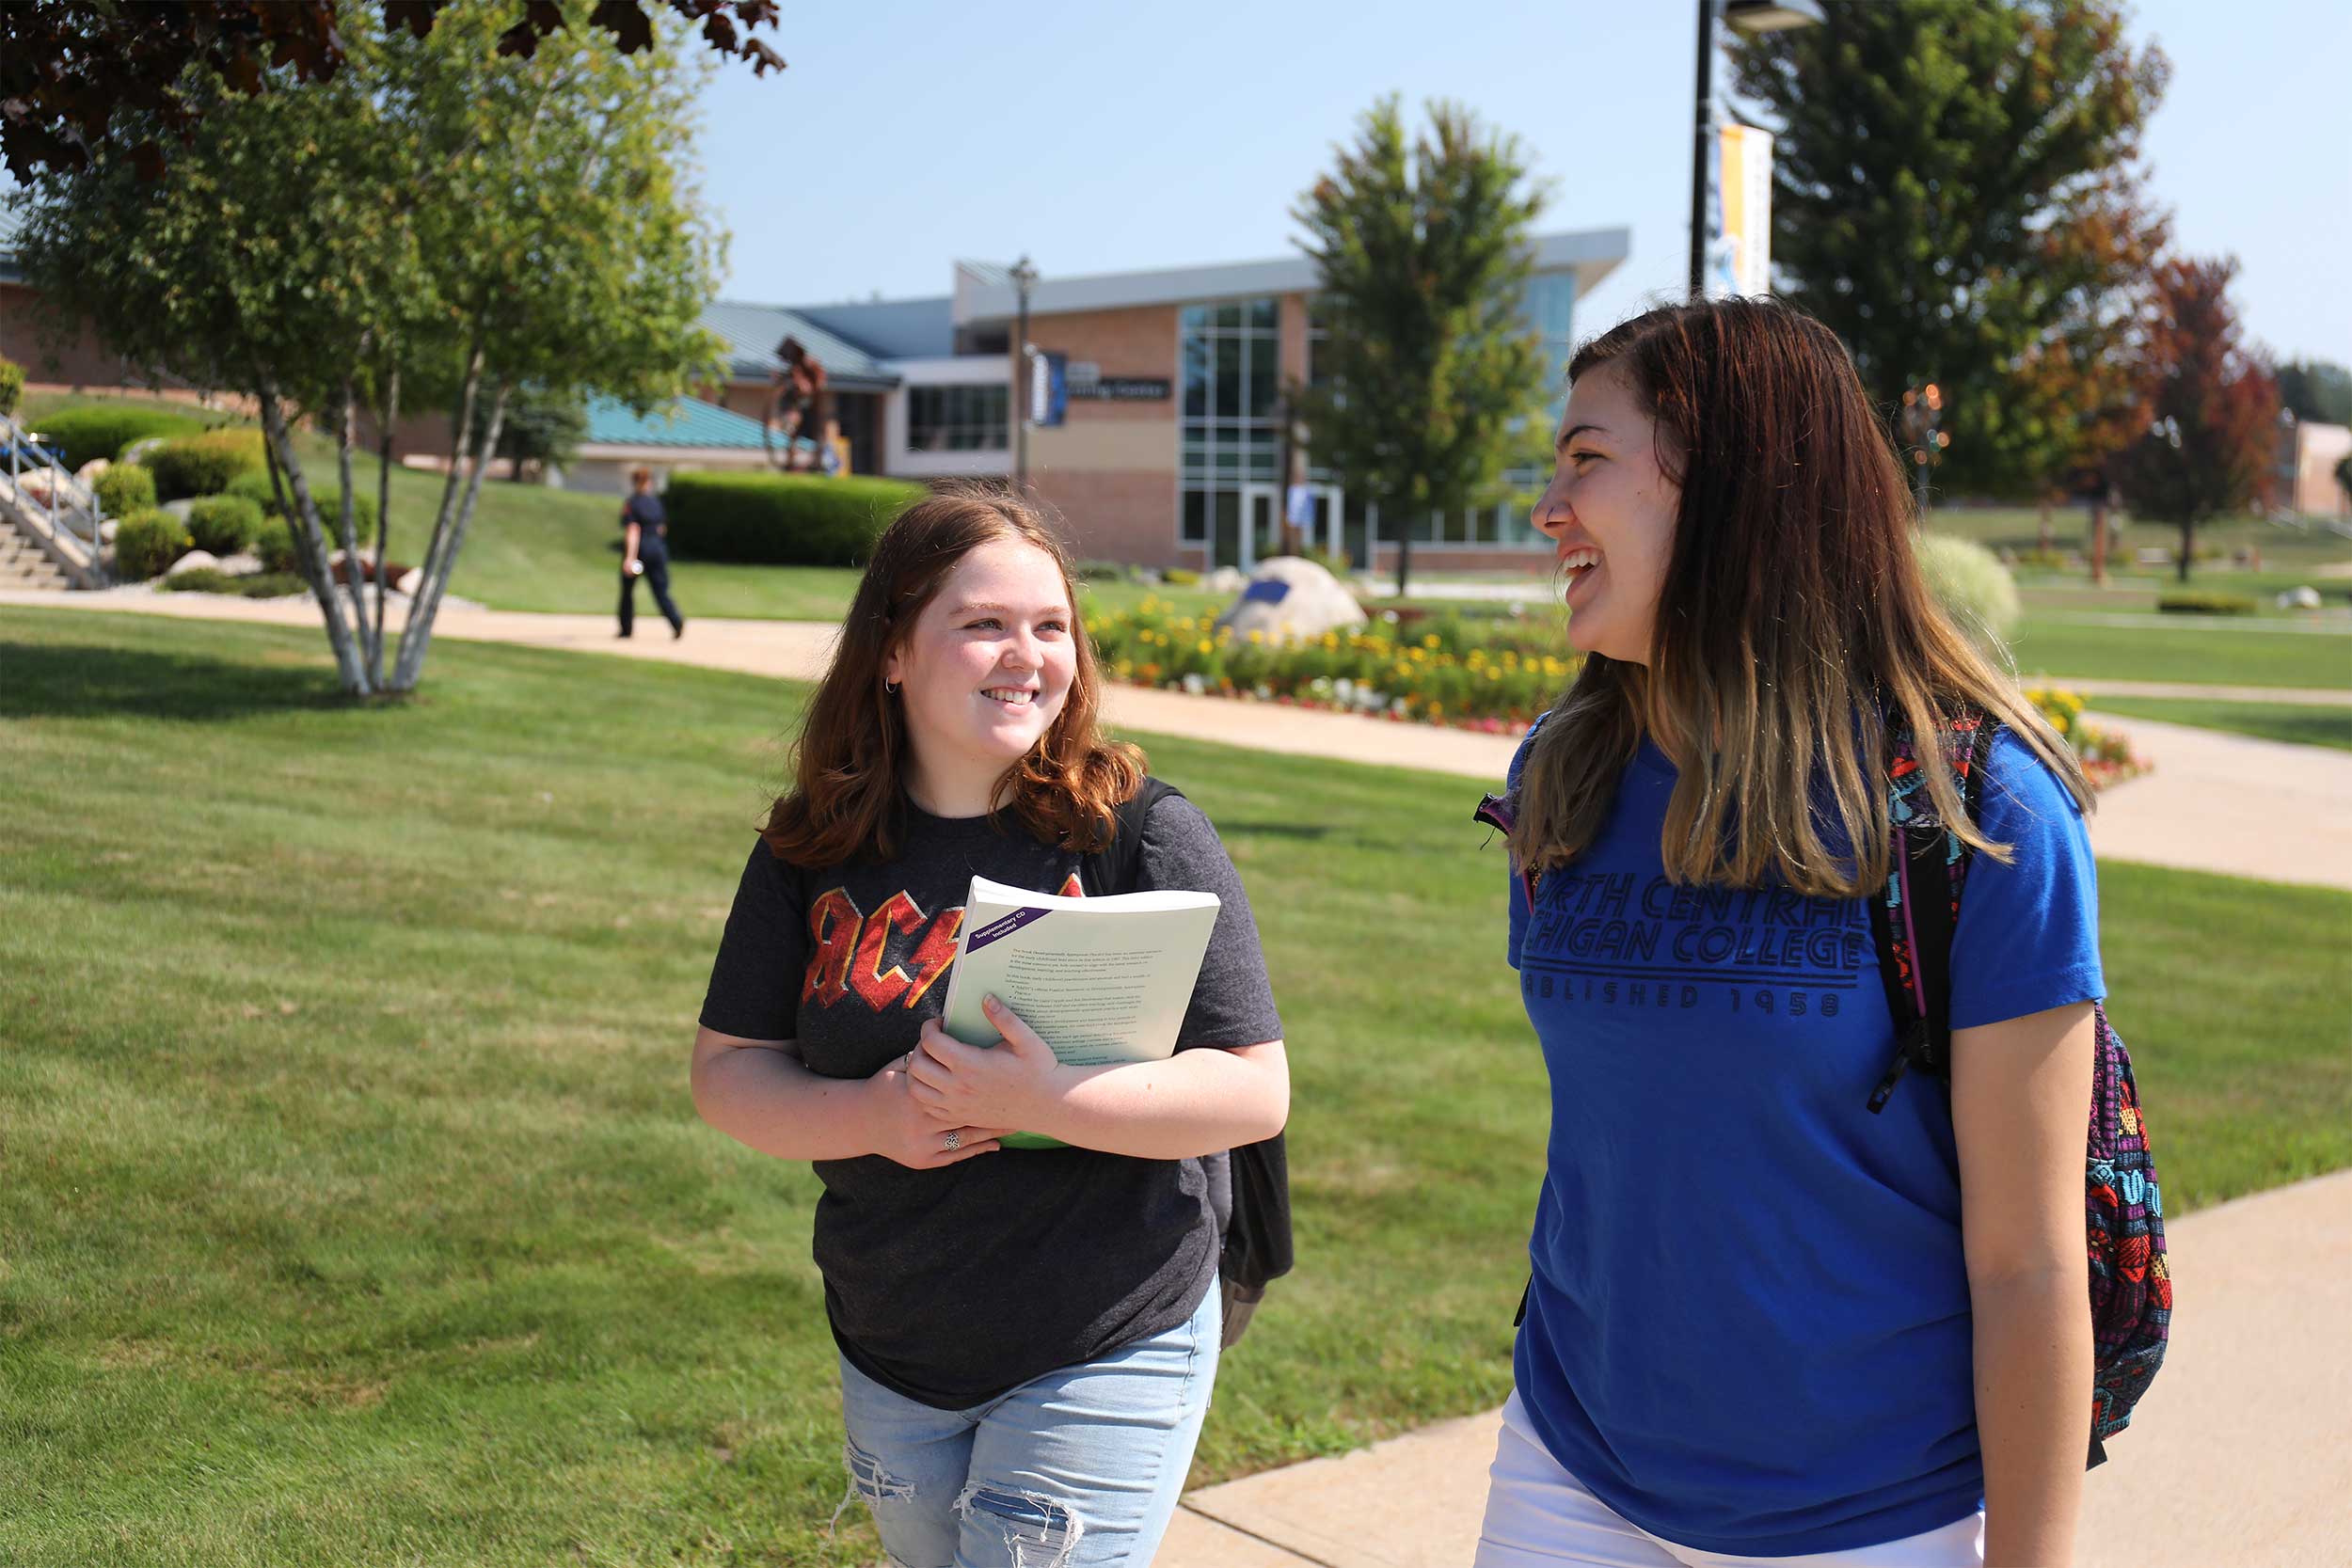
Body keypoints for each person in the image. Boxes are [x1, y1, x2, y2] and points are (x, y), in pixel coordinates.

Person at [1478, 298, 2103, 1568]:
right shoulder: (1562, 772)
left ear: (1731, 482)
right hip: (1570, 1465)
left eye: (1586, 459)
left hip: (1868, 1514)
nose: (1550, 507)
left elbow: (2030, 1264)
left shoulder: (1978, 814)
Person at [690, 485, 1287, 1568]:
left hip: (1107, 1326)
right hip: (890, 1342)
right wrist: (870, 1113)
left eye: (1050, 626)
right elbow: (729, 1072)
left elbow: (1253, 1086)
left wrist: (1039, 1098)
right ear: (891, 652)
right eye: (983, 624)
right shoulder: (809, 847)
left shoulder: (1138, 834)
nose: (1028, 655)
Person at [617, 467, 684, 640]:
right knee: (660, 590)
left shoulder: (632, 503)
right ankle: (675, 620)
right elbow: (661, 529)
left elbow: (633, 530)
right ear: (649, 483)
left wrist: (630, 558)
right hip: (658, 550)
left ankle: (626, 629)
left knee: (628, 590)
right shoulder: (655, 503)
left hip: (640, 554)